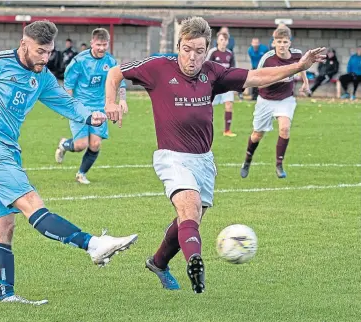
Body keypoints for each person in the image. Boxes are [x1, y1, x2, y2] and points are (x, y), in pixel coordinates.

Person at [104, 16, 325, 293]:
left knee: (191, 217)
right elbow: (115, 73)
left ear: (207, 49)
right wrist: (111, 102)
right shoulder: (158, 67)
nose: (193, 57)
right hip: (171, 156)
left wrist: (299, 66)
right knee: (189, 207)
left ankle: (158, 262)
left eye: (199, 50)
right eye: (187, 49)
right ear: (179, 46)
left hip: (204, 160)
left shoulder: (214, 72)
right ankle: (195, 261)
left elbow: (256, 77)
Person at [0, 20, 137, 305]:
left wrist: (90, 116)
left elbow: (65, 103)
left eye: (49, 52)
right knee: (32, 203)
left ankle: (7, 297)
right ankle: (94, 244)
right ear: (24, 44)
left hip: (8, 151)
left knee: (4, 226)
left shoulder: (41, 77)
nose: (45, 58)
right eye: (40, 51)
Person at [55, 28, 128, 184]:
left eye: (104, 44)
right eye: (98, 44)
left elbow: (120, 80)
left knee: (95, 144)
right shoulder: (79, 61)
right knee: (81, 145)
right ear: (91, 43)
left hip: (100, 108)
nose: (101, 48)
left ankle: (81, 173)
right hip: (80, 108)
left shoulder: (110, 62)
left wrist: (122, 100)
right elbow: (68, 84)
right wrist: (68, 106)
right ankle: (63, 145)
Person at [240, 26, 311, 179]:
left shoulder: (297, 54)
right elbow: (257, 82)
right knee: (257, 134)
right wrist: (278, 77)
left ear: (289, 43)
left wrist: (305, 83)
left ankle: (279, 165)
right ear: (273, 43)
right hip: (265, 100)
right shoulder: (267, 59)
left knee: (285, 129)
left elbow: (302, 65)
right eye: (279, 41)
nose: (282, 45)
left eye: (285, 42)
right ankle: (247, 160)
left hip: (285, 99)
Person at [206, 31, 237, 137]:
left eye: (225, 40)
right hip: (214, 85)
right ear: (217, 41)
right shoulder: (213, 53)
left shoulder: (230, 54)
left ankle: (227, 131)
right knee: (208, 107)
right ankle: (206, 129)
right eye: (221, 40)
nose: (223, 42)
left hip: (226, 85)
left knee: (229, 105)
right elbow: (206, 67)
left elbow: (233, 70)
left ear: (228, 42)